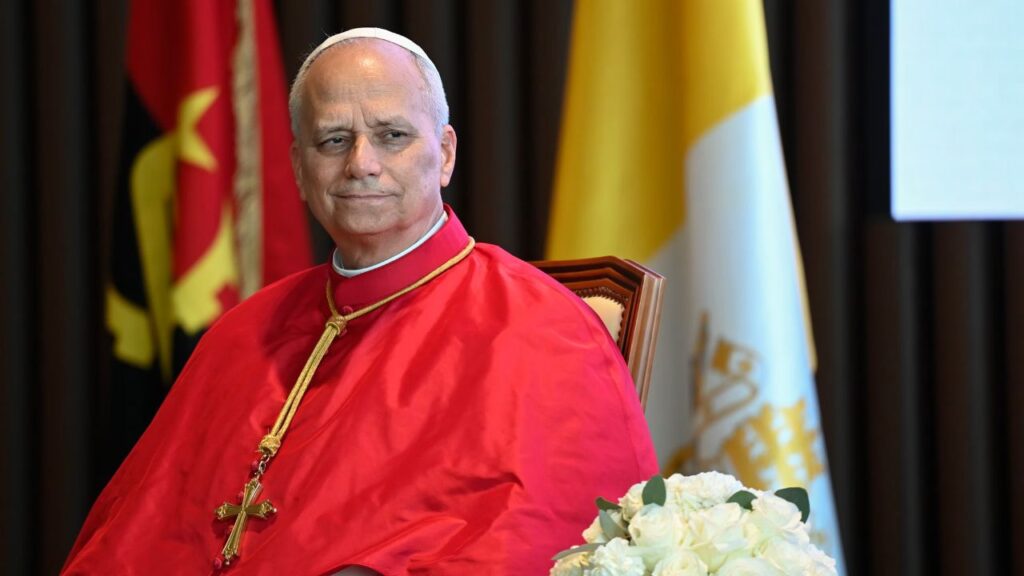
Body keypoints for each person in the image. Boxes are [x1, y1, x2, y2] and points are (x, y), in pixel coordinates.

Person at [62, 27, 657, 575]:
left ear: (444, 154)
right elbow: (136, 532)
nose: (361, 164)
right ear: (299, 167)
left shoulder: (541, 328)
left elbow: (542, 536)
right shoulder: (244, 334)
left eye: (392, 135)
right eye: (333, 140)